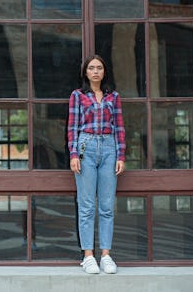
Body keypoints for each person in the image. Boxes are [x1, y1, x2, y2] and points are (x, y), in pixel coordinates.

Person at [67, 55, 125, 274]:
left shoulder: (114, 97)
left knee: (107, 205)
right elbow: (72, 127)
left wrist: (121, 156)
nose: (95, 71)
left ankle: (106, 255)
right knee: (87, 205)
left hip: (109, 148)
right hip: (86, 147)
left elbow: (119, 127)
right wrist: (73, 154)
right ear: (85, 72)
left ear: (104, 72)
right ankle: (88, 256)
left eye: (99, 68)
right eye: (91, 68)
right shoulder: (78, 96)